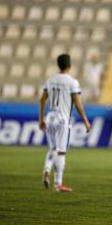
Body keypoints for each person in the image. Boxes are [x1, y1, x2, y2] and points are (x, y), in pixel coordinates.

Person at [39, 54, 91, 192]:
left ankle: (46, 170)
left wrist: (41, 118)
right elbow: (77, 102)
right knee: (61, 152)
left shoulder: (50, 80)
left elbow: (42, 99)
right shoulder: (72, 82)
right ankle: (58, 184)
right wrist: (85, 120)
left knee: (52, 149)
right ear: (69, 65)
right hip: (63, 121)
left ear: (58, 65)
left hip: (50, 118)